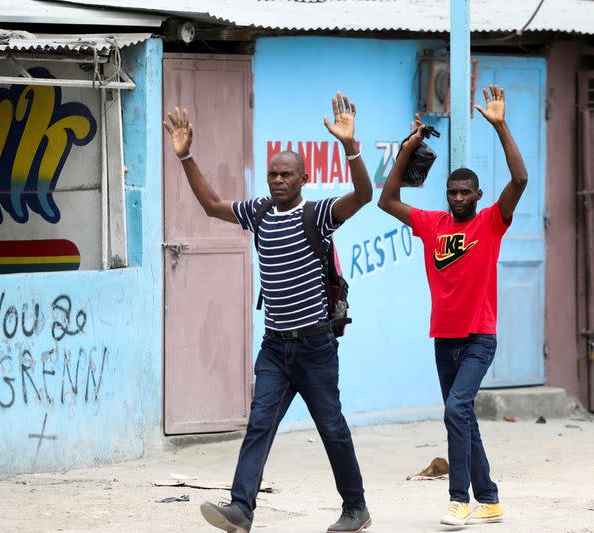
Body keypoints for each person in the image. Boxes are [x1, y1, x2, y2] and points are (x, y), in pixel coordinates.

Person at [162, 92, 373, 533]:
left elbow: (364, 195)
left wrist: (351, 147)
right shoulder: (258, 212)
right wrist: (186, 157)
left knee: (331, 427)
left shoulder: (318, 215)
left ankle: (356, 508)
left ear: (303, 178)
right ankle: (241, 509)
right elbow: (212, 206)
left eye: (286, 174)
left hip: (315, 346)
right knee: (259, 424)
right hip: (275, 347)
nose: (278, 180)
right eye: (273, 173)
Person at [377, 84, 528, 526]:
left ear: (478, 195)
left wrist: (500, 127)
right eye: (452, 192)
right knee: (463, 417)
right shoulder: (432, 224)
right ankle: (491, 499)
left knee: (455, 410)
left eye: (466, 192)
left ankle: (458, 499)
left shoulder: (491, 223)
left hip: (479, 336)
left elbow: (520, 180)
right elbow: (387, 200)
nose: (458, 198)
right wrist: (408, 149)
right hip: (443, 338)